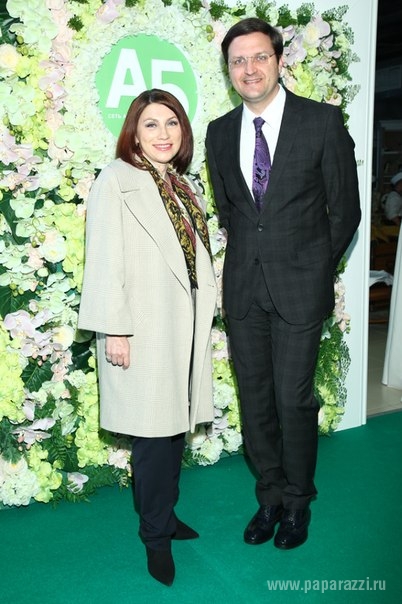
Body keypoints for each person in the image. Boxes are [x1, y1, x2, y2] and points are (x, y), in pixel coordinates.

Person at [206, 18, 361, 550]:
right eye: (238, 61)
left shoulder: (321, 122)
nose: (249, 69)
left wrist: (315, 268)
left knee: (293, 400)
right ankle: (269, 495)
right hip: (244, 291)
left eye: (259, 57)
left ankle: (297, 502)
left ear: (279, 61)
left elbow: (345, 211)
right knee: (255, 399)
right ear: (229, 71)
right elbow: (231, 212)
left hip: (299, 290)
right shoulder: (219, 132)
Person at [78, 89, 216, 586]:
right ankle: (155, 537)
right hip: (143, 326)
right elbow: (103, 259)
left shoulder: (181, 184)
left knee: (173, 428)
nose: (163, 133)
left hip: (184, 323)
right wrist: (115, 329)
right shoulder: (116, 179)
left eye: (172, 123)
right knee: (154, 437)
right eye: (151, 124)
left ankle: (166, 515)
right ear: (134, 133)